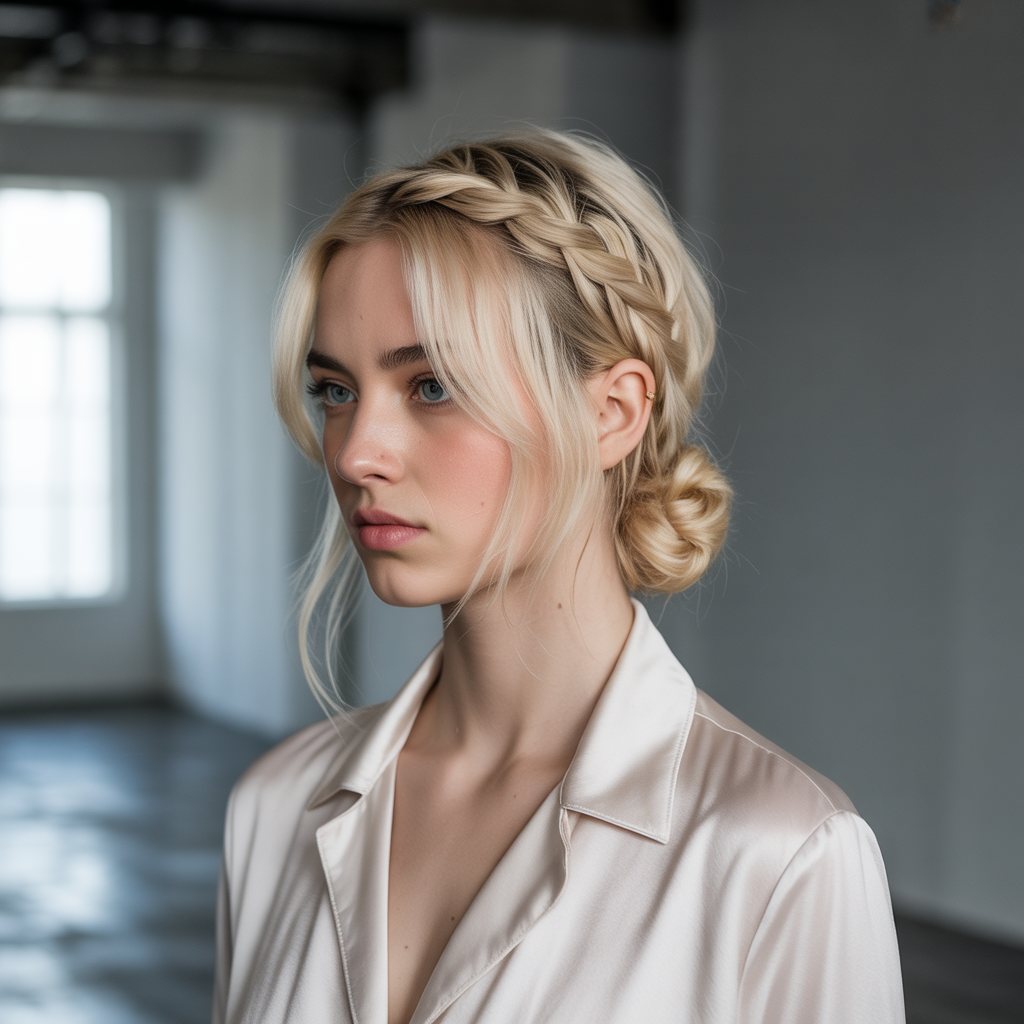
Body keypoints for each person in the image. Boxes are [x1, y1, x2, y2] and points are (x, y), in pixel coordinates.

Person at [212, 131, 905, 1024]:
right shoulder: (273, 810)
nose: (356, 454)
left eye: (431, 386)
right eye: (335, 390)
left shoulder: (778, 855)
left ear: (612, 412)